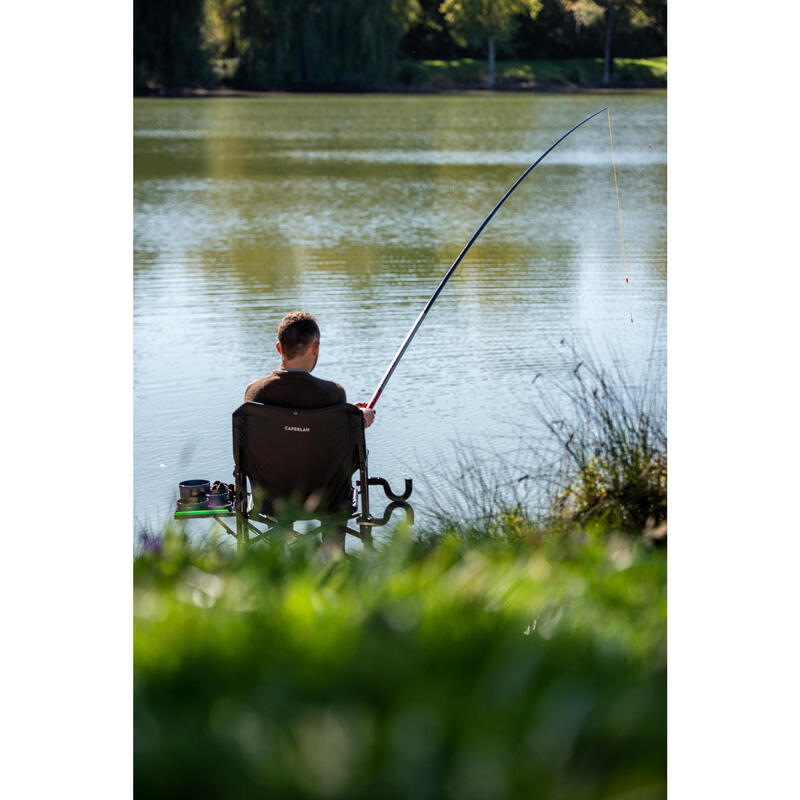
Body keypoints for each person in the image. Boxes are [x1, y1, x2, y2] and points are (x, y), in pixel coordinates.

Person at [244, 311, 375, 428]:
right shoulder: (334, 394)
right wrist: (360, 420)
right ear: (315, 347)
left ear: (279, 348)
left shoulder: (254, 392)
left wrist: (347, 415)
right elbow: (338, 438)